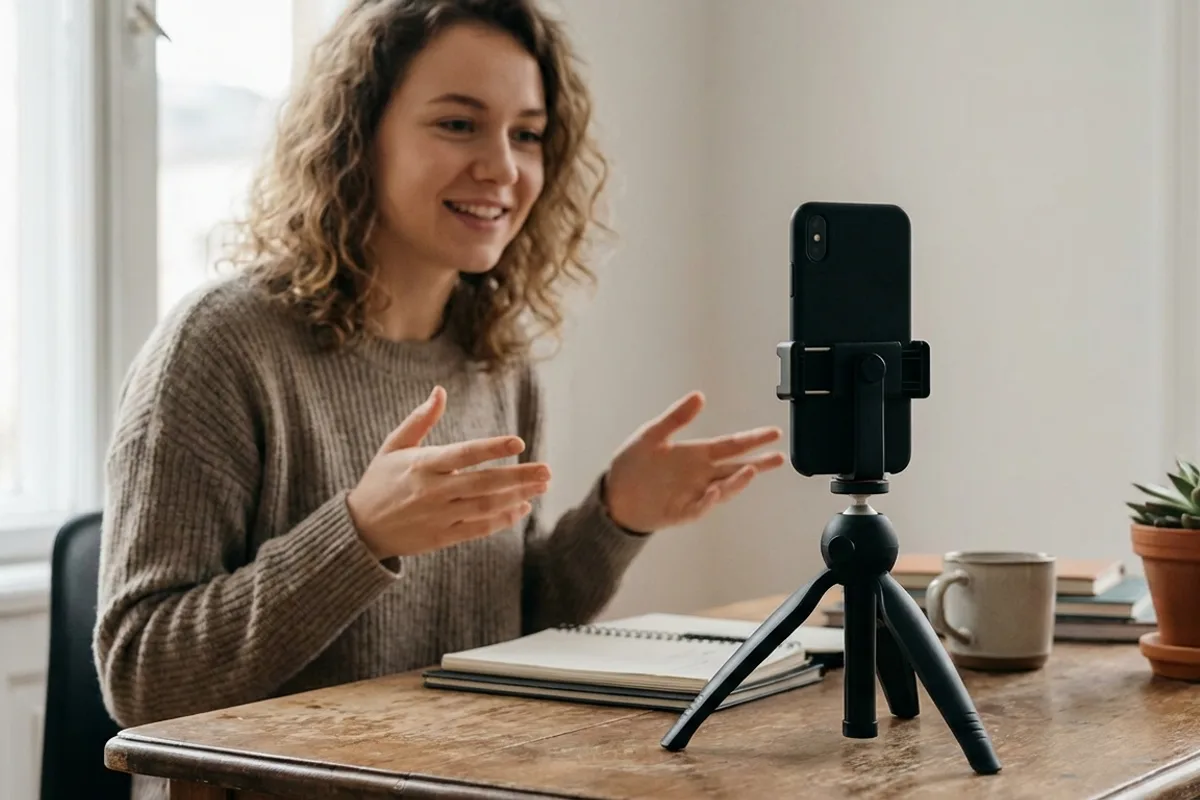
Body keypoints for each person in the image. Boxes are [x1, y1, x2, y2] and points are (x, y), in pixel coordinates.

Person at [94, 2, 784, 795]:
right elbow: (142, 681)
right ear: (358, 138)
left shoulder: (494, 358)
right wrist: (358, 535)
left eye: (526, 134)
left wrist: (618, 515)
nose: (502, 166)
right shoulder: (223, 347)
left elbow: (505, 634)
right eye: (459, 124)